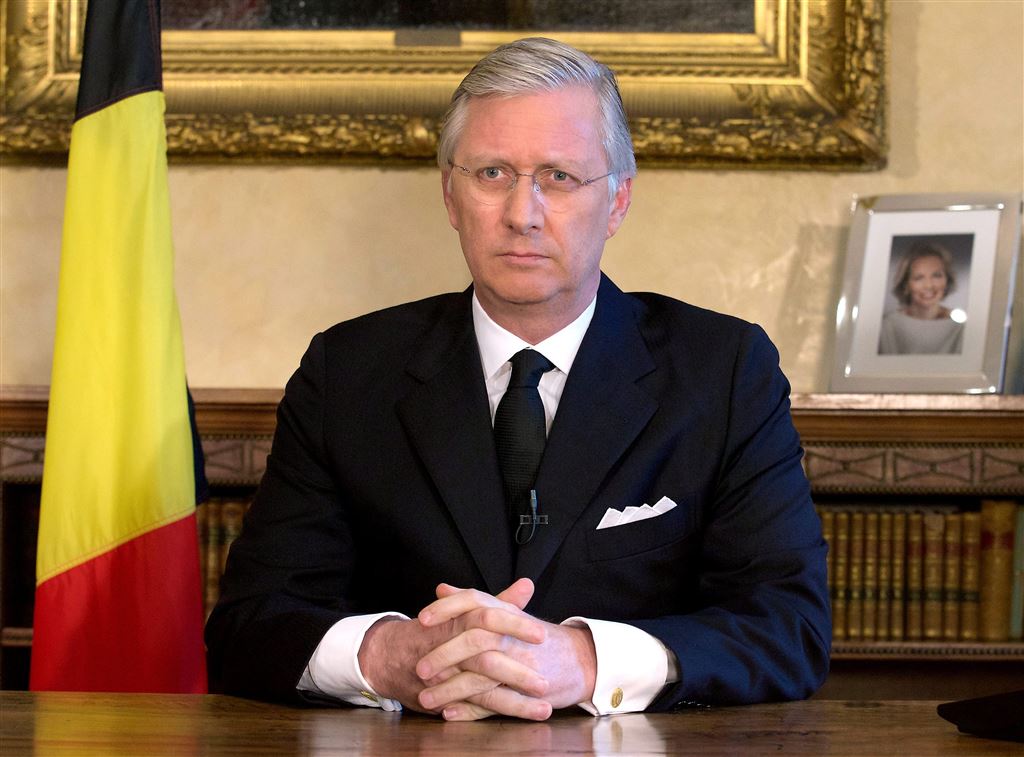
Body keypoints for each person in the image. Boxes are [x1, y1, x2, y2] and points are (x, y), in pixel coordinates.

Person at [205, 37, 830, 721]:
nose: (522, 213)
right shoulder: (348, 372)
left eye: (559, 176)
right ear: (451, 196)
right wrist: (390, 655)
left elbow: (789, 626)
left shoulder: (724, 371)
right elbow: (248, 625)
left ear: (618, 201)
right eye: (493, 173)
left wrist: (584, 661)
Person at [878, 241, 964, 355]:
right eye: (919, 278)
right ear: (906, 284)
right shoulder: (887, 325)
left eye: (936, 276)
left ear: (947, 280)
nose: (928, 286)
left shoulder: (961, 326)